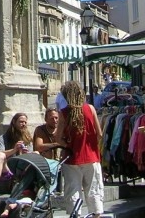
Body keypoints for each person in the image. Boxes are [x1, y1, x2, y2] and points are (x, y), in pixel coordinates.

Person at [55, 80, 104, 216]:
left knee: (73, 190)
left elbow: (57, 137)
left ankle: (75, 215)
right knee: (93, 190)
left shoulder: (64, 113)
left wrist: (68, 145)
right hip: (91, 157)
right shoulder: (91, 109)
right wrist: (92, 144)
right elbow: (99, 134)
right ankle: (96, 215)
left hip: (71, 158)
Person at [0, 112, 32, 198]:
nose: (23, 124)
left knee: (36, 153)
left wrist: (26, 152)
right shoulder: (4, 137)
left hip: (22, 167)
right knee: (0, 155)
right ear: (14, 122)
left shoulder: (28, 137)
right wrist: (14, 150)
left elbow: (32, 154)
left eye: (25, 122)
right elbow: (0, 152)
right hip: (7, 167)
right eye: (21, 122)